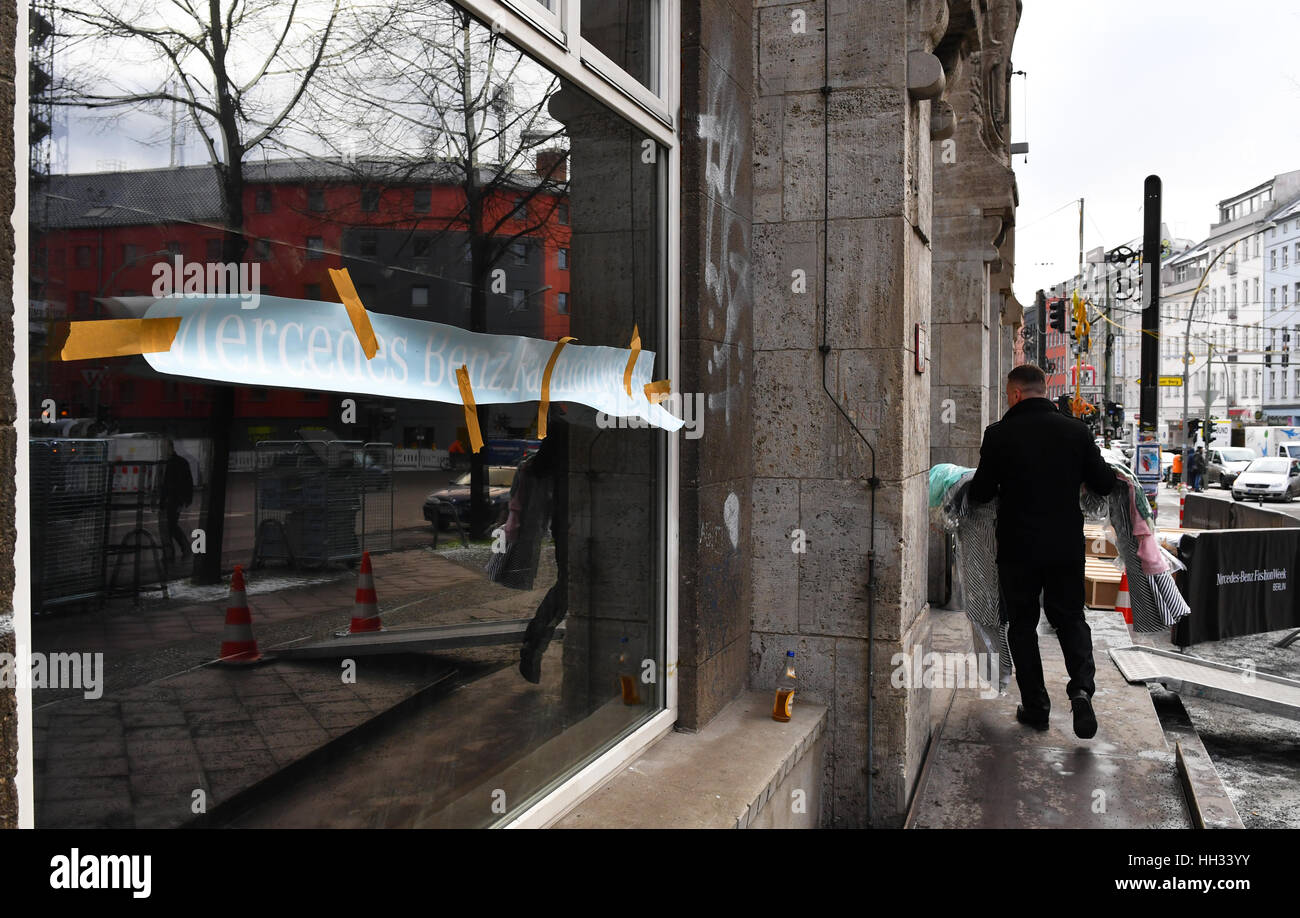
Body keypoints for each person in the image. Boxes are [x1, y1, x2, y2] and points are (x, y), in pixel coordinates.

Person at [968, 365, 1117, 739]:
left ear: (1015, 393)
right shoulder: (1076, 431)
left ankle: (1036, 707)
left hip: (1018, 547)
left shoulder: (999, 435)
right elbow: (1105, 482)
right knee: (1069, 618)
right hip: (1065, 544)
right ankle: (1081, 690)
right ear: (1043, 390)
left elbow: (981, 493)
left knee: (1022, 625)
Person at [158, 439, 194, 567]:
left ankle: (176, 551)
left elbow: (168, 484)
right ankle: (179, 550)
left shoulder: (172, 463)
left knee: (170, 526)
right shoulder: (179, 462)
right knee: (171, 526)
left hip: (174, 499)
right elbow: (187, 482)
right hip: (174, 499)